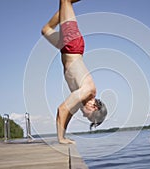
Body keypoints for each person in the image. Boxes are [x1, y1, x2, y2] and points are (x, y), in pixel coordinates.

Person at [42, 0, 107, 144]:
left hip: (66, 47)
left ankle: (69, 5)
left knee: (46, 30)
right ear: (94, 107)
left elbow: (68, 113)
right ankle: (69, 4)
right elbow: (62, 110)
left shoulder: (81, 101)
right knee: (64, 0)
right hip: (72, 44)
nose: (85, 117)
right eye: (89, 117)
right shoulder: (87, 91)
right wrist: (61, 138)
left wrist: (64, 135)